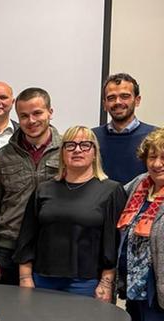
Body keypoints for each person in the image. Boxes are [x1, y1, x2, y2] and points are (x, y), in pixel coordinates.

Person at [15, 126, 125, 300]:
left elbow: (113, 243)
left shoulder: (111, 190)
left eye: (85, 145)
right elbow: (27, 236)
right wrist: (25, 277)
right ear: (62, 153)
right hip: (42, 279)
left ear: (95, 153)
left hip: (86, 282)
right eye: (70, 145)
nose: (77, 150)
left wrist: (106, 283)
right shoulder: (44, 189)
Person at [0, 87, 61, 286]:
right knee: (9, 304)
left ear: (50, 112)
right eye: (24, 116)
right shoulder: (2, 157)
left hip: (53, 244)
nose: (31, 121)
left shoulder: (66, 152)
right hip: (10, 246)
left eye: (37, 113)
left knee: (51, 304)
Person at [118, 128, 164, 321]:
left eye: (163, 158)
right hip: (135, 287)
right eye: (152, 157)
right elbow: (111, 199)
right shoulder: (139, 183)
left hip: (158, 290)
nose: (157, 164)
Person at [93, 73, 157, 185]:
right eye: (111, 98)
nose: (118, 102)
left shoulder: (155, 137)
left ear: (137, 100)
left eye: (124, 96)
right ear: (104, 104)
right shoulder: (92, 138)